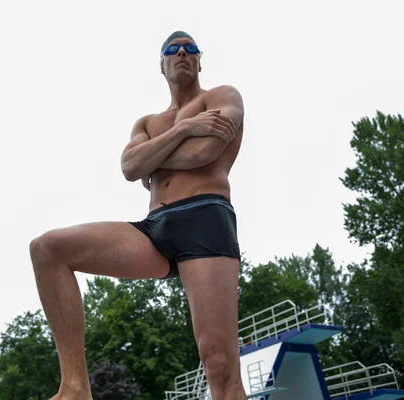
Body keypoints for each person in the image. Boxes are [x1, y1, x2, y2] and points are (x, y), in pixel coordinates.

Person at [29, 31, 246, 400]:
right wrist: (185, 129)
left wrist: (154, 159)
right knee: (48, 249)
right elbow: (130, 167)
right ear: (162, 65)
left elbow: (204, 153)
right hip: (154, 227)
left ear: (199, 60)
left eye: (190, 48)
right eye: (172, 49)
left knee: (219, 363)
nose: (182, 52)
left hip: (205, 218)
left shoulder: (223, 97)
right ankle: (75, 387)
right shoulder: (147, 122)